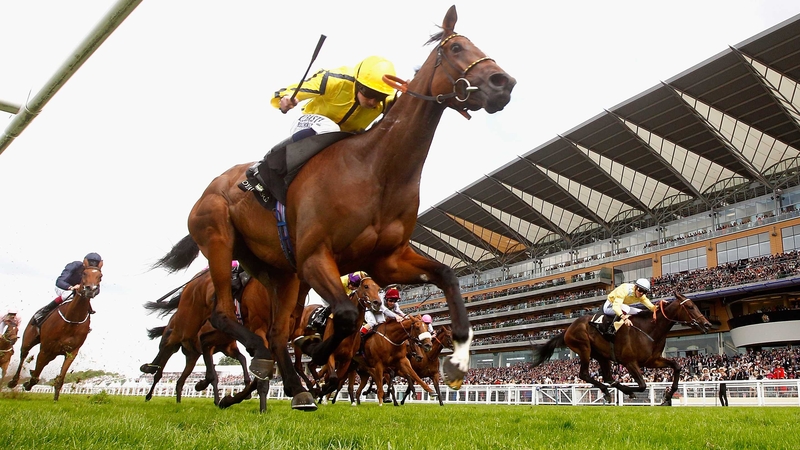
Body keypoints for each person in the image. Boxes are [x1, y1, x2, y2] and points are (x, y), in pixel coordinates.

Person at [273, 55, 397, 139]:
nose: (373, 102)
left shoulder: (388, 100)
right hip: (309, 124)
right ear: (358, 84)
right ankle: (270, 163)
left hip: (347, 137)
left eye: (380, 96)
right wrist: (286, 98)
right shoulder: (335, 80)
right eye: (369, 93)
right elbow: (291, 91)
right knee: (330, 128)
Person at [32, 252, 103, 327]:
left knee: (83, 299)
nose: (92, 265)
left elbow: (97, 289)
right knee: (67, 295)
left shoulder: (96, 273)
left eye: (95, 263)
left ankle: (85, 324)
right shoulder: (75, 265)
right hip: (64, 287)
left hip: (78, 291)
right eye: (91, 262)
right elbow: (60, 281)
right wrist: (71, 287)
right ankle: (44, 312)